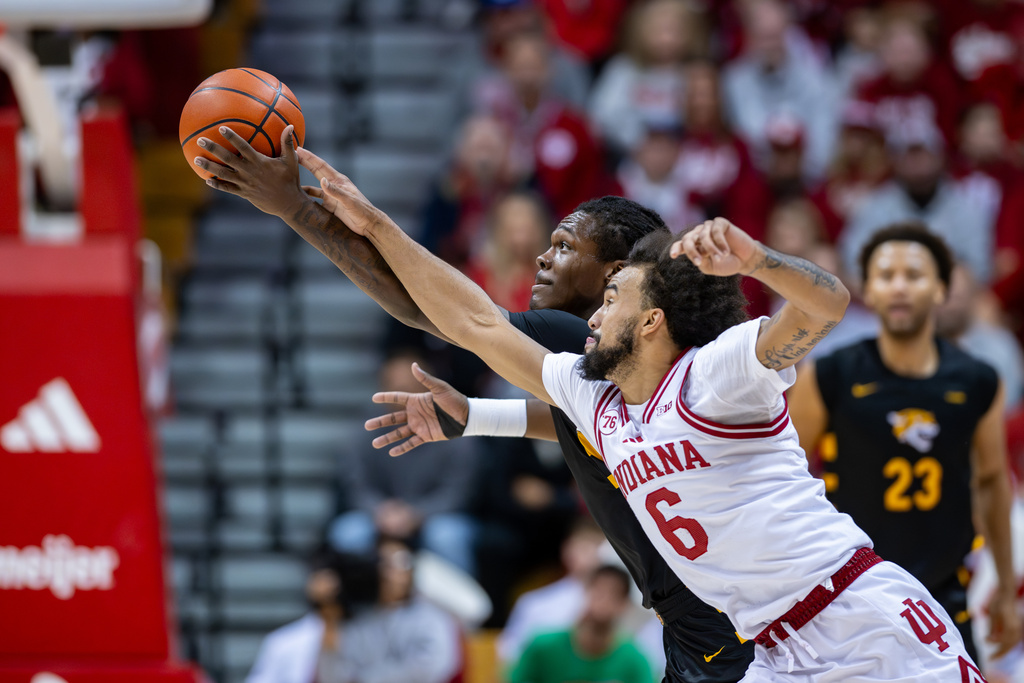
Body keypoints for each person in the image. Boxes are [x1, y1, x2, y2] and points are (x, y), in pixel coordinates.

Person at [308, 166, 990, 678]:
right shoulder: (594, 398)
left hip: (861, 618)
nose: (593, 318)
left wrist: (757, 261)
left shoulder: (716, 374)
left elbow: (827, 305)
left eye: (610, 298)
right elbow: (477, 321)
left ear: (654, 320)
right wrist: (373, 222)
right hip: (778, 653)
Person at [193, 127, 754, 682]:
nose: (541, 257)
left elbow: (438, 313)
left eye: (563, 247)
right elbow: (594, 429)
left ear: (614, 275)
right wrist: (479, 417)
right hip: (713, 613)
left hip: (714, 618)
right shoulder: (630, 356)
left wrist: (296, 206)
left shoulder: (577, 334)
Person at [788, 224, 1022, 665]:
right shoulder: (831, 373)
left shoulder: (978, 380)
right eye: (885, 275)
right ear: (868, 290)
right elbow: (784, 475)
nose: (898, 286)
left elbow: (992, 483)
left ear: (939, 289)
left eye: (913, 275)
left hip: (944, 598)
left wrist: (1007, 591)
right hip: (849, 596)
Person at [329, 351, 480, 576]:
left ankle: (458, 609)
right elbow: (356, 486)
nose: (402, 399)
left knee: (447, 536)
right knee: (348, 534)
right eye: (394, 390)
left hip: (437, 516)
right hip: (379, 515)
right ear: (382, 390)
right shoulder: (364, 432)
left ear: (429, 390)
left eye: (410, 390)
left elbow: (458, 492)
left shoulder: (456, 433)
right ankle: (351, 606)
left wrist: (417, 514)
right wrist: (380, 511)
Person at [316, 539, 463, 683]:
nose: (389, 573)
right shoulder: (357, 619)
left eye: (400, 562)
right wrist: (329, 618)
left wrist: (368, 678)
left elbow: (431, 669)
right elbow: (333, 677)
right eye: (383, 563)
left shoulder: (432, 616)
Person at [508, 564, 653, 683]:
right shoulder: (542, 646)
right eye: (598, 591)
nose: (604, 602)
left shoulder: (635, 660)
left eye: (614, 595)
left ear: (624, 604)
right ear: (584, 592)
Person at [498, 516, 607, 664]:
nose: (592, 555)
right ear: (567, 549)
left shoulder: (628, 606)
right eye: (584, 546)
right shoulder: (534, 603)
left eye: (598, 546)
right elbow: (510, 654)